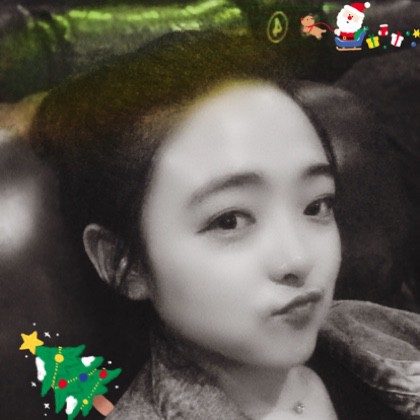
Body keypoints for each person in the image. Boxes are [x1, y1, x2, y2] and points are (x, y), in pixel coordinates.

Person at [30, 31, 420, 419]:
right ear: (125, 261)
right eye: (229, 220)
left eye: (316, 206)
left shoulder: (377, 328)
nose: (298, 259)